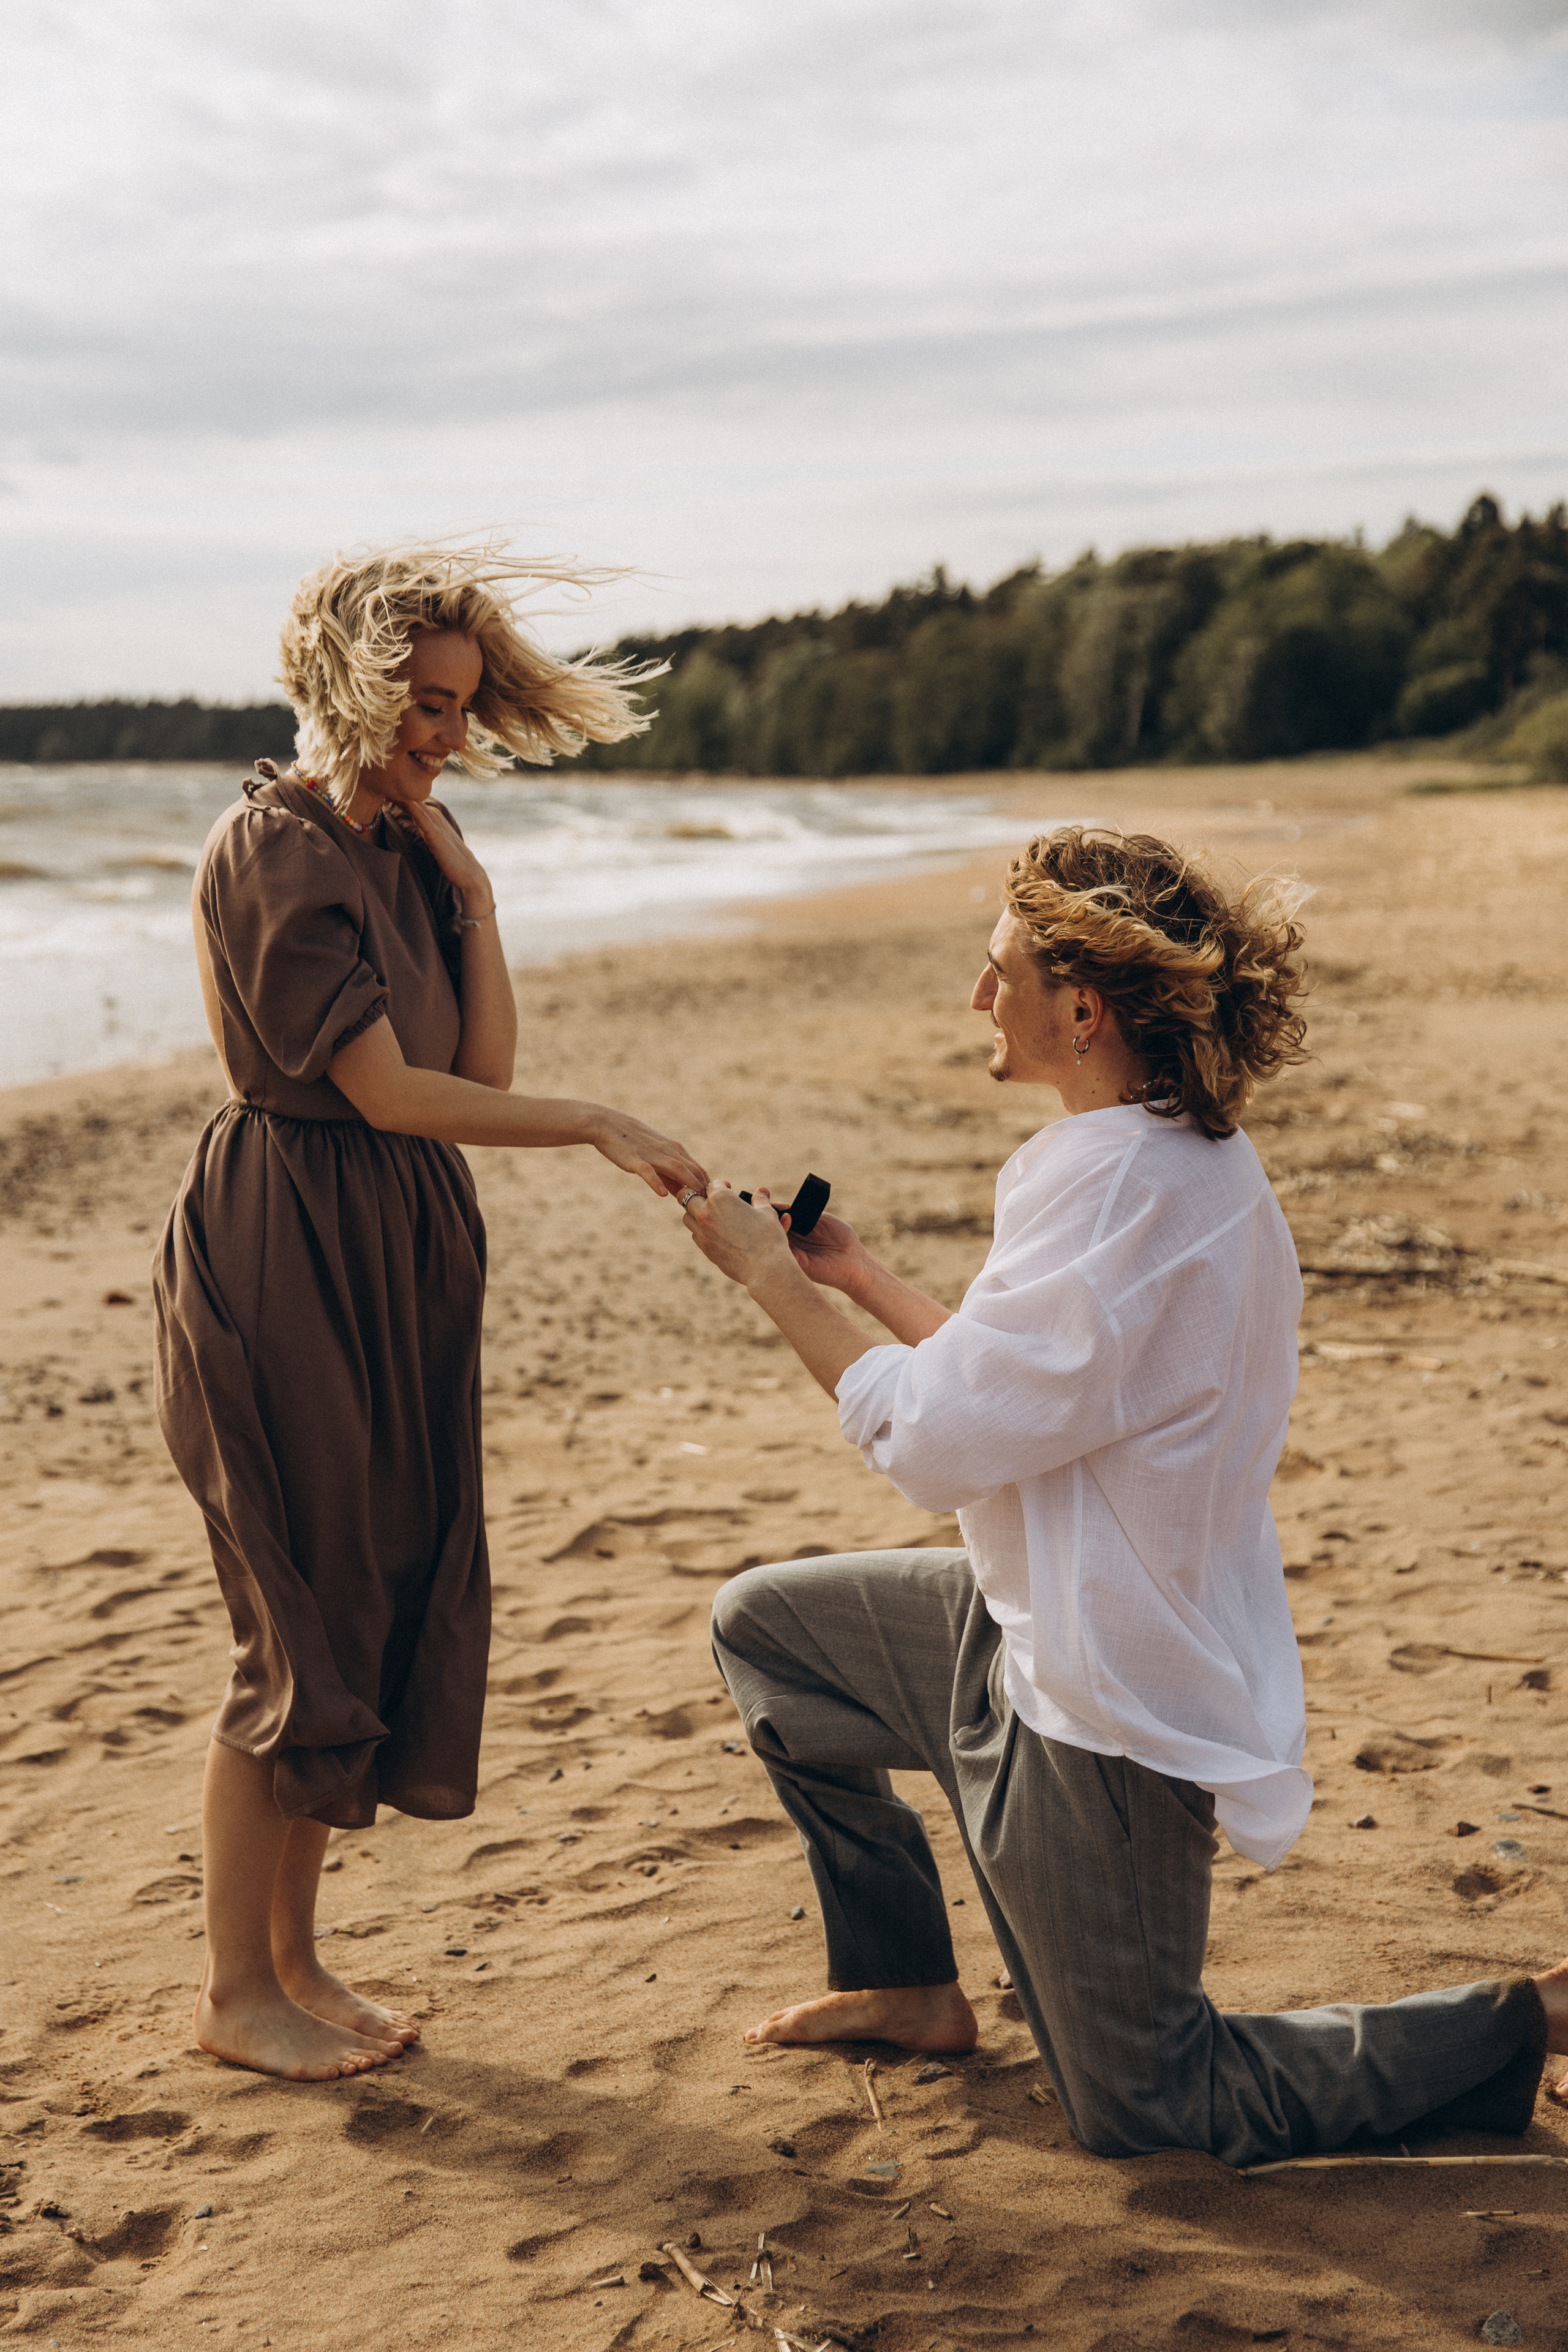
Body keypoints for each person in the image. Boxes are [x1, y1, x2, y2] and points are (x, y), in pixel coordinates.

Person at [679, 825, 1559, 2167]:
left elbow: (926, 1442)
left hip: (1102, 1715)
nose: (978, 998)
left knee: (1149, 2105)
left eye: (996, 974)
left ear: (1078, 1008)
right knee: (767, 1632)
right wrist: (857, 1281)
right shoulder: (1157, 1160)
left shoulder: (1122, 1195)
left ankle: (1527, 2020)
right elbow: (1031, 1382)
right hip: (1022, 1624)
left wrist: (772, 1282)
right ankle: (909, 1983)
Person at [155, 540, 707, 2084]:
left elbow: (484, 1064)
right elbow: (397, 1091)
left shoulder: (416, 842)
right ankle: (230, 1992)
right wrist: (605, 1125)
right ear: (352, 680)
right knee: (296, 1615)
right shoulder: (272, 846)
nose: (446, 736)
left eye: (464, 709)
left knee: (378, 1587)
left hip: (397, 1239)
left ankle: (298, 1961)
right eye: (425, 706)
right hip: (289, 1243)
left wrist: (469, 888)